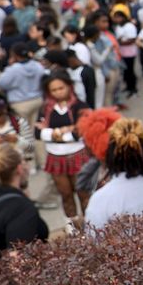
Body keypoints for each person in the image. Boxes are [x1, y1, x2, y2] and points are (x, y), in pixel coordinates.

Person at [34, 70, 91, 221]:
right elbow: (37, 133)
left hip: (78, 154)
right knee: (65, 194)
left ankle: (90, 224)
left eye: (61, 88)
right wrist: (62, 132)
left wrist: (53, 134)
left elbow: (79, 133)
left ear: (69, 87)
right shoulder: (46, 109)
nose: (58, 92)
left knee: (83, 193)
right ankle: (72, 227)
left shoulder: (80, 106)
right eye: (54, 90)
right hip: (55, 157)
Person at [0, 43, 46, 141]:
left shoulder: (13, 69)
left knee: (23, 133)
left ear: (14, 55)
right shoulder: (37, 65)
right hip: (37, 100)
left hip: (20, 104)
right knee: (36, 132)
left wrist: (9, 67)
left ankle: (28, 155)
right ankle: (40, 155)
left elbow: (2, 83)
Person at [112, 10, 138, 99]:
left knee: (130, 71)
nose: (116, 19)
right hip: (121, 53)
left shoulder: (129, 26)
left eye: (118, 17)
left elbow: (132, 40)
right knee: (125, 71)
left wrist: (119, 43)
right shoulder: (118, 27)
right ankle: (128, 86)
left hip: (130, 52)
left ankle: (133, 89)